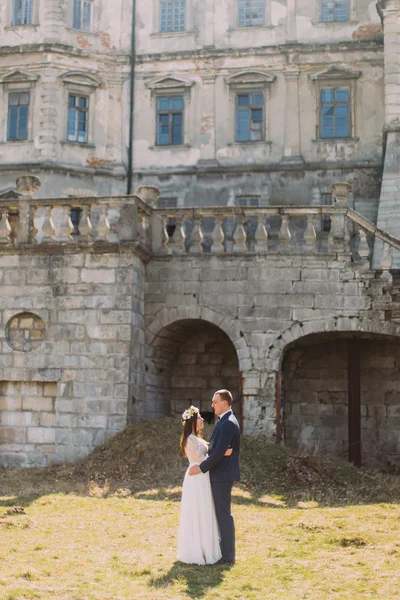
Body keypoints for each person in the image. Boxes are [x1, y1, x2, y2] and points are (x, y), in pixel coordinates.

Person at [189, 390, 240, 566]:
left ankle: (228, 556)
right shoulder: (224, 420)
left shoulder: (228, 423)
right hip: (219, 473)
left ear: (225, 403)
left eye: (215, 402)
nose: (212, 405)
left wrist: (201, 468)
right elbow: (217, 449)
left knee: (223, 515)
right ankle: (222, 551)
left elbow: (217, 453)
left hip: (222, 475)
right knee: (219, 514)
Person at [177, 405, 228, 565]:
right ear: (192, 421)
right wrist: (221, 454)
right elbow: (201, 460)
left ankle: (206, 547)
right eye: (199, 417)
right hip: (196, 477)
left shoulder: (197, 438)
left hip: (202, 476)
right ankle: (197, 549)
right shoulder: (190, 440)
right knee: (198, 510)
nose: (202, 420)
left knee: (205, 510)